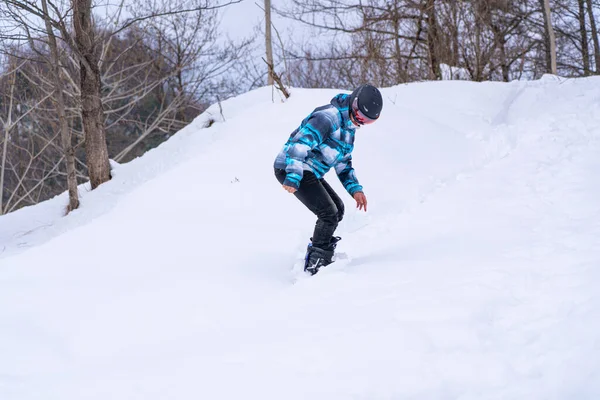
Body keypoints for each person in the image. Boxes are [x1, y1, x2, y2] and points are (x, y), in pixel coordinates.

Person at [273, 84, 383, 275]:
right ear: (353, 102)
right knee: (328, 213)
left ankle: (320, 251)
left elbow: (343, 163)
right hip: (290, 167)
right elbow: (299, 144)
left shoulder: (349, 129)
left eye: (366, 120)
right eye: (359, 115)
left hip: (310, 171)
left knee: (337, 209)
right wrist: (293, 175)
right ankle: (315, 265)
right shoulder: (328, 117)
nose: (360, 121)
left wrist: (355, 189)